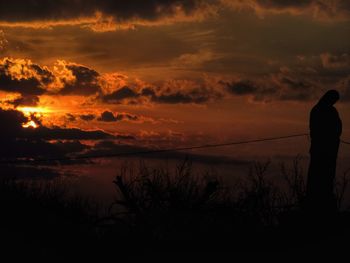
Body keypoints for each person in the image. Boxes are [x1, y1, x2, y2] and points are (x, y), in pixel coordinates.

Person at [305, 90, 342, 215]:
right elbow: (316, 130)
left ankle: (325, 196)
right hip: (321, 149)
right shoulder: (318, 110)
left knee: (328, 174)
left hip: (329, 149)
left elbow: (338, 127)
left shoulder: (331, 111)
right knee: (317, 173)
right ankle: (315, 198)